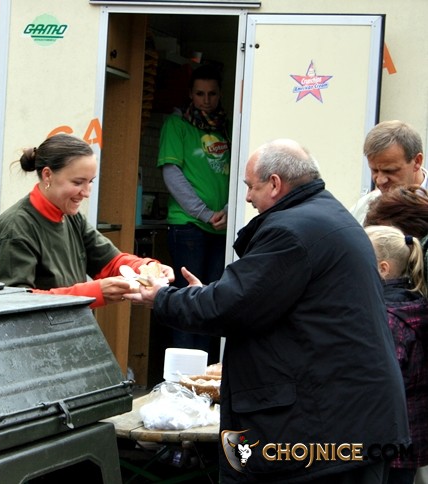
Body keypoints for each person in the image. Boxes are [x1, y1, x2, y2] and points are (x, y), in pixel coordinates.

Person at [127, 139, 410, 483]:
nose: (247, 197)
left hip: (326, 425)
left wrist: (162, 297)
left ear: (275, 184)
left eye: (251, 186)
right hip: (349, 416)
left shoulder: (291, 232)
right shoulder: (327, 216)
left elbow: (231, 307)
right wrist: (206, 295)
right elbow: (259, 298)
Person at [0, 133, 174, 308]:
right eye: (77, 182)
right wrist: (93, 292)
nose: (86, 193)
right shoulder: (15, 228)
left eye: (90, 181)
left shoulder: (70, 216)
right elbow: (15, 302)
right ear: (47, 175)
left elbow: (110, 262)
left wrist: (146, 268)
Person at [157, 63, 230, 357]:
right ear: (190, 94)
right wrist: (205, 213)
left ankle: (206, 373)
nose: (206, 100)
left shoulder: (227, 125)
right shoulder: (176, 124)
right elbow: (171, 174)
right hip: (188, 226)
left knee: (213, 303)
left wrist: (229, 210)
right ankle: (182, 374)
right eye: (200, 93)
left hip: (223, 226)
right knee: (189, 300)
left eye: (212, 94)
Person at [365, 225, 428, 484]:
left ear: (383, 269)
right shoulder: (413, 303)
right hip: (409, 437)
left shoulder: (389, 318)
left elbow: (383, 382)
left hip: (390, 443)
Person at [350, 120, 426, 224]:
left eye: (390, 171)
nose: (380, 180)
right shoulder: (362, 208)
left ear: (417, 161)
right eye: (374, 170)